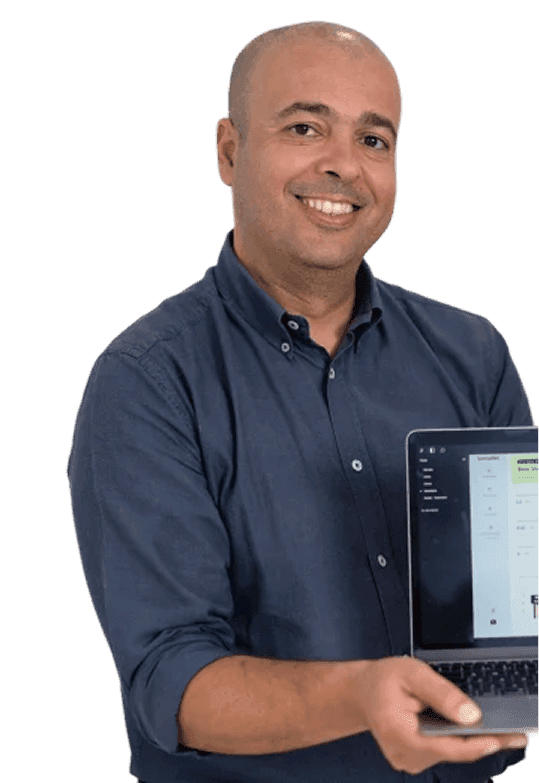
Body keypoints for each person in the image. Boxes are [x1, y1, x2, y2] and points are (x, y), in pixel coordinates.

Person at [67, 21, 535, 783]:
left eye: (373, 140)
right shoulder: (148, 379)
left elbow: (514, 621)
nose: (343, 165)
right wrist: (362, 694)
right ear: (228, 151)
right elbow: (170, 680)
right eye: (304, 128)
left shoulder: (472, 353)